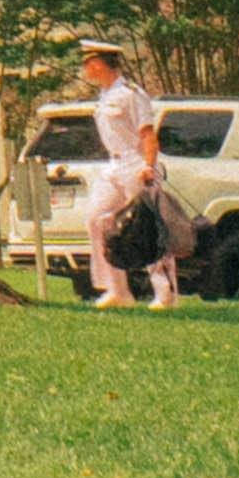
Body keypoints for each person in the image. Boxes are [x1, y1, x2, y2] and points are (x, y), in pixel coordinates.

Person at [77, 38, 186, 308]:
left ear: (104, 63)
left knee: (148, 227)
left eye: (90, 62)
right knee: (96, 219)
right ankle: (118, 290)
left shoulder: (131, 94)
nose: (86, 67)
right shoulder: (104, 96)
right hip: (113, 165)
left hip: (135, 164)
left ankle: (166, 294)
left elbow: (148, 134)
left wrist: (149, 165)